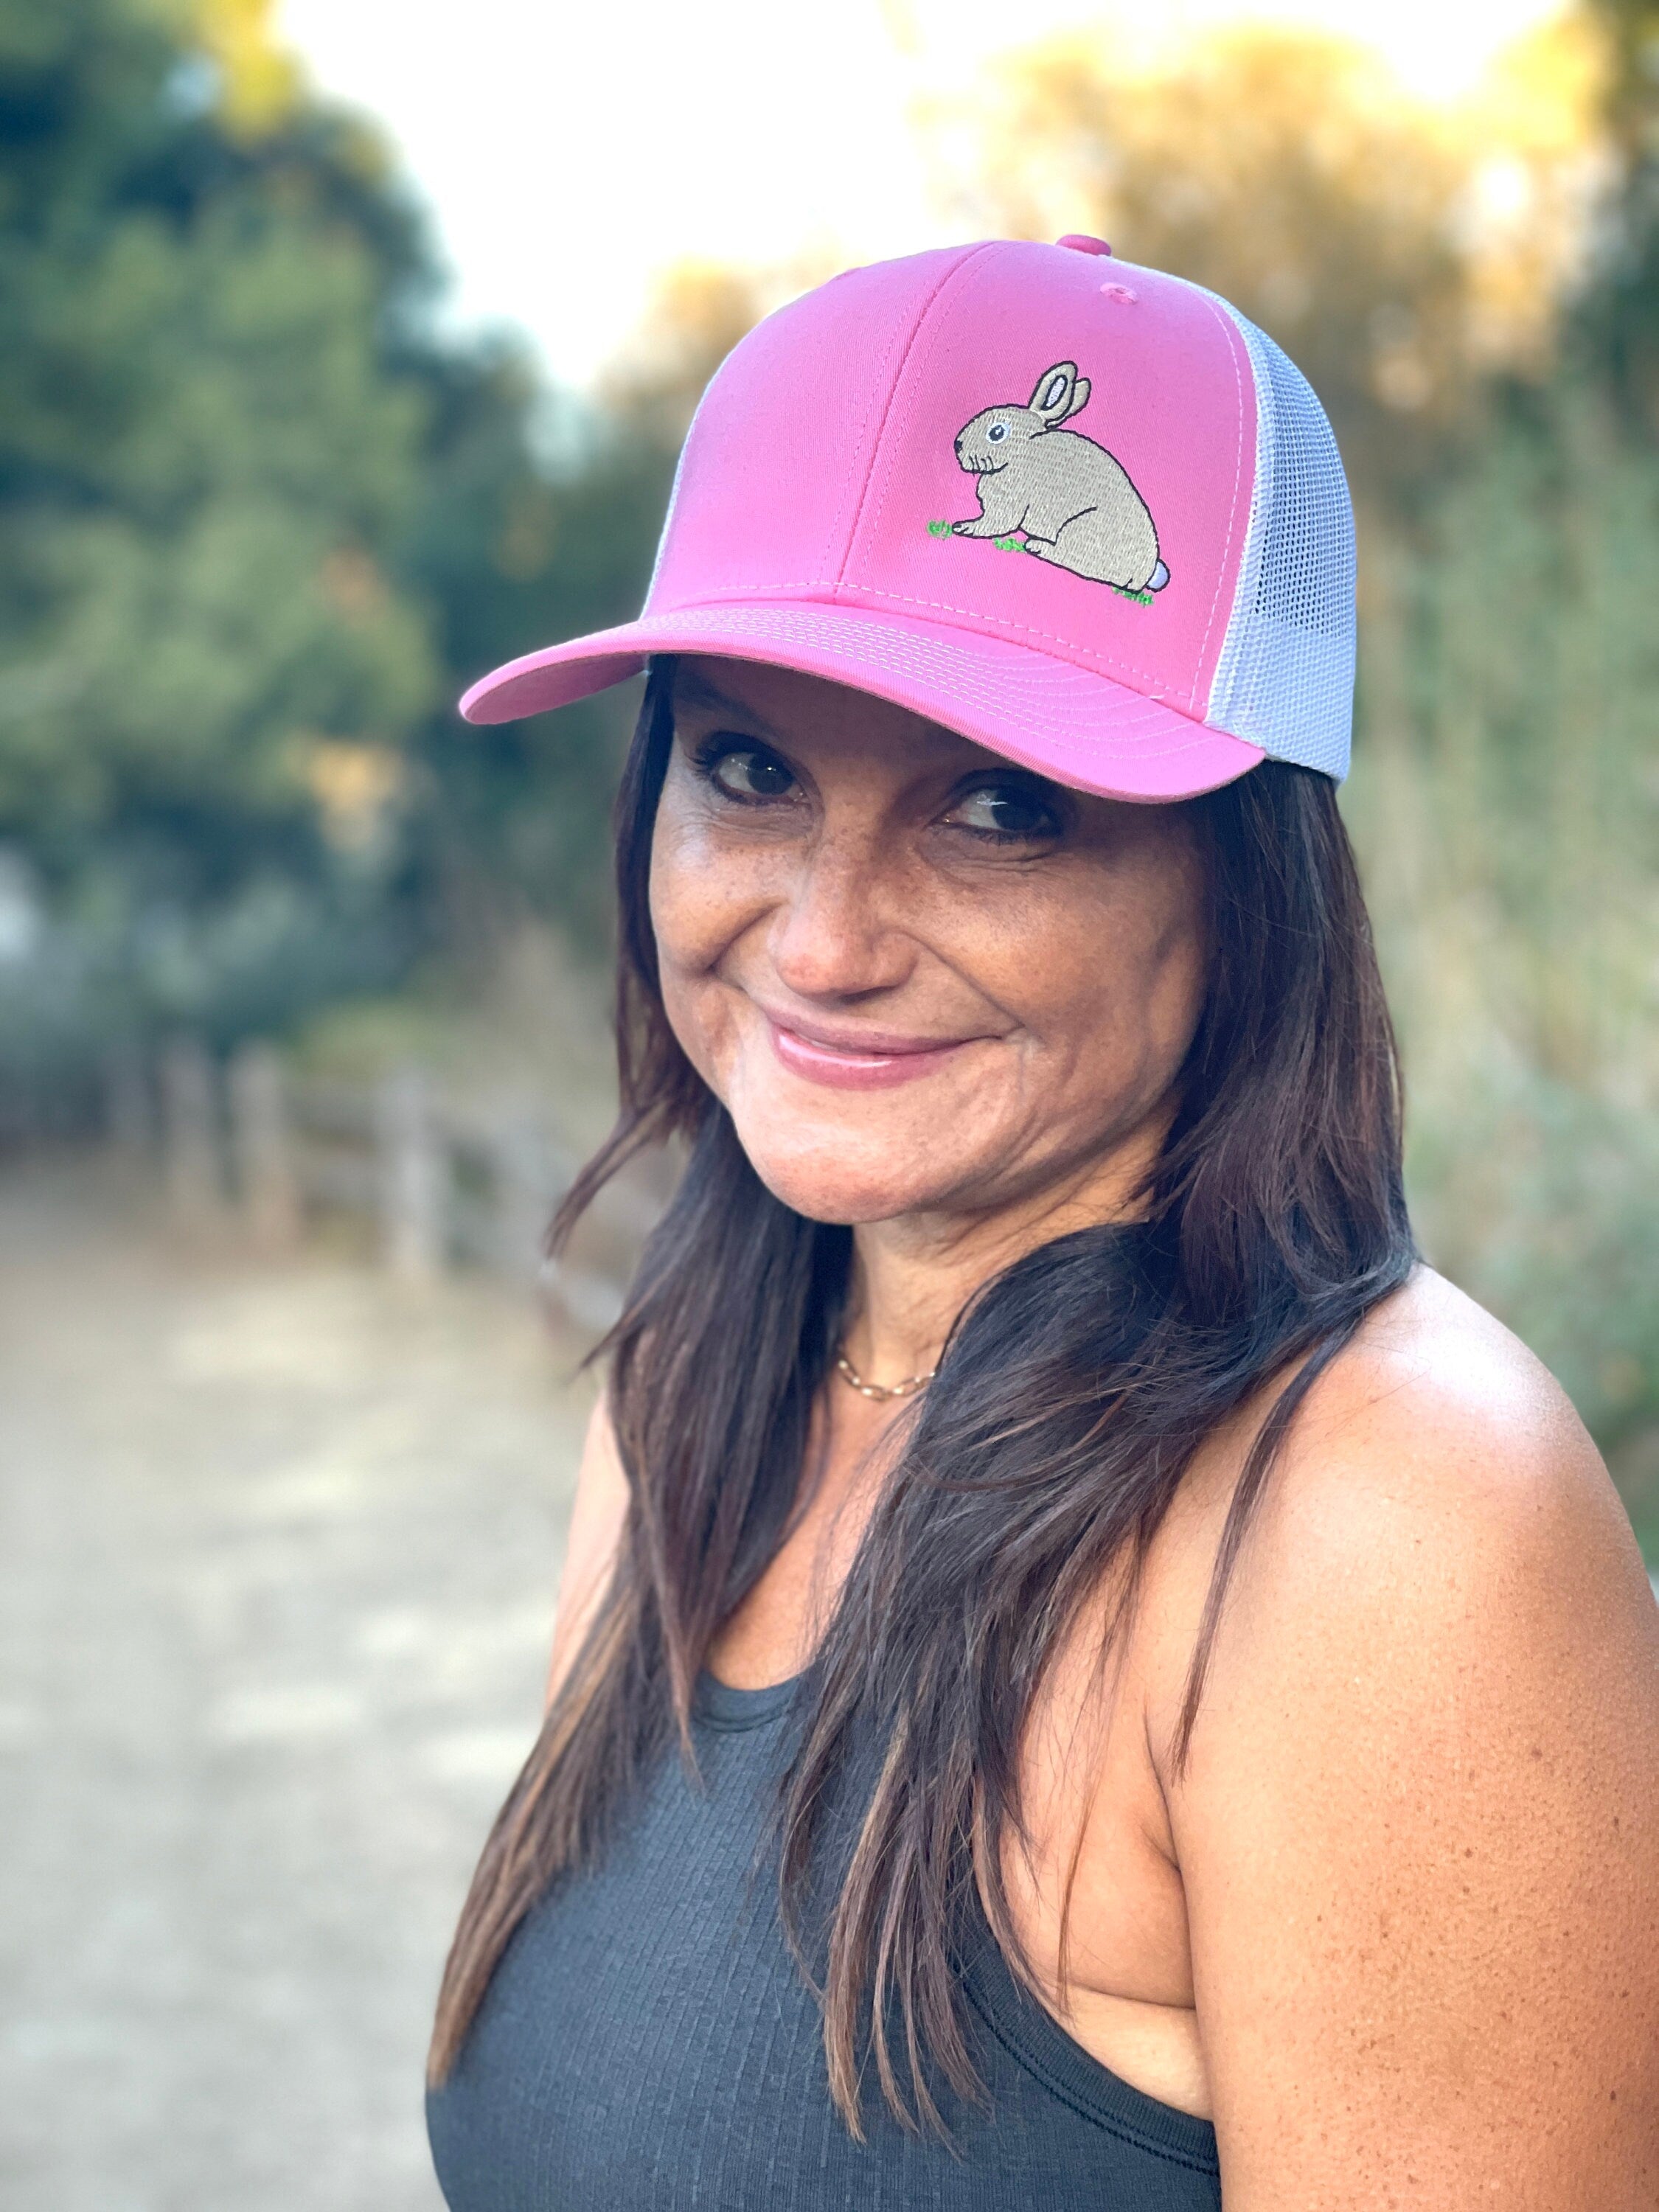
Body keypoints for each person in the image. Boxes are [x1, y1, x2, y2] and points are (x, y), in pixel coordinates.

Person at [424, 240, 1659, 2209]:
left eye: (998, 808)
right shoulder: (693, 1384)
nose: (822, 942)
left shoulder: (1388, 1522)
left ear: (1246, 875)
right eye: (749, 769)